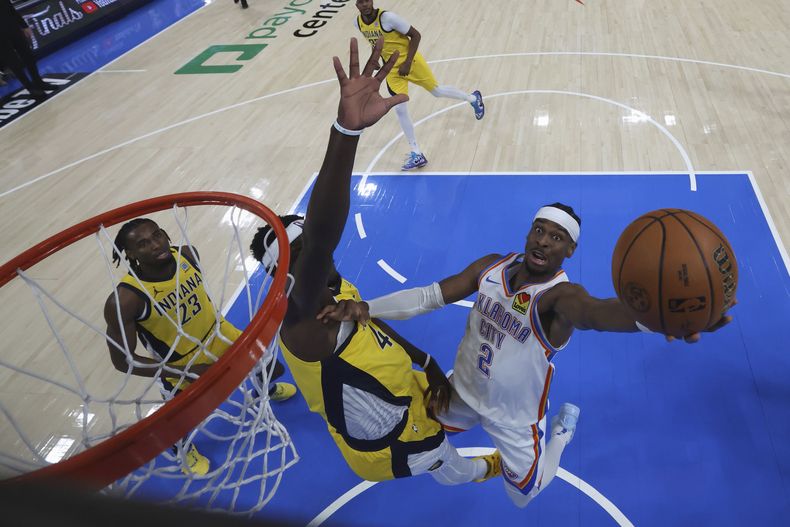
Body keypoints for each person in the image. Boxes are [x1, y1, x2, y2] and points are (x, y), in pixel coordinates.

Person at [318, 203, 735, 507]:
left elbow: (598, 314)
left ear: (569, 251)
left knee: (523, 498)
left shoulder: (561, 297)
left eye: (557, 237)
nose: (543, 241)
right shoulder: (491, 267)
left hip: (513, 414)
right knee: (428, 450)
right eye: (539, 230)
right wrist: (366, 307)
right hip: (461, 390)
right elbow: (429, 296)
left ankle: (561, 436)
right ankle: (481, 466)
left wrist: (659, 320)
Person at [250, 37, 498, 485]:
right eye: (301, 254)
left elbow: (371, 323)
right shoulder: (299, 323)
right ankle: (484, 469)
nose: (317, 257)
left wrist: (425, 360)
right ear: (281, 274)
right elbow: (321, 238)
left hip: (405, 392)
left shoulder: (336, 289)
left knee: (462, 405)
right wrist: (346, 133)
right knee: (453, 467)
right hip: (391, 442)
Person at [104, 218, 297, 475]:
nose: (155, 244)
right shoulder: (125, 300)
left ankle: (266, 390)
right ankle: (181, 449)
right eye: (143, 244)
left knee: (272, 368)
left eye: (157, 235)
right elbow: (124, 361)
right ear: (129, 254)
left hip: (220, 333)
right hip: (180, 363)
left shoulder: (187, 254)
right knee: (181, 421)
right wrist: (184, 371)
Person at [354, 0, 485, 171]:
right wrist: (375, 58)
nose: (364, 4)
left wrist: (408, 62)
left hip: (412, 62)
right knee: (400, 108)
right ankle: (417, 153)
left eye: (366, 0)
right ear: (356, 5)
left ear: (371, 1)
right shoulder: (358, 23)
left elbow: (416, 35)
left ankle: (473, 98)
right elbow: (376, 43)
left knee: (437, 91)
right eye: (360, 2)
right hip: (392, 70)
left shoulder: (388, 18)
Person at [0, 0, 56, 98]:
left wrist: (24, 25)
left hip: (13, 27)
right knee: (13, 62)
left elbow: (11, 9)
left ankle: (38, 81)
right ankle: (31, 88)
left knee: (29, 55)